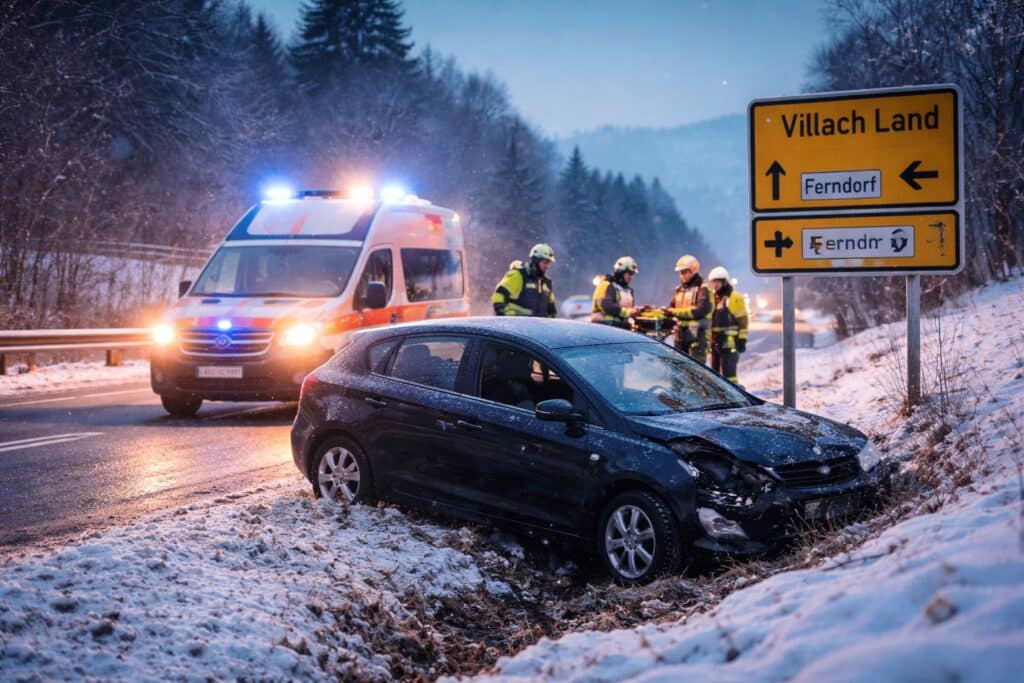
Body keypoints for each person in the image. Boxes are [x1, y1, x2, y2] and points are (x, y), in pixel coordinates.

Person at [666, 254, 712, 363]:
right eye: (680, 273)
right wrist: (663, 311)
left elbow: (700, 311)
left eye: (684, 272)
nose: (681, 276)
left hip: (697, 338)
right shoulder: (679, 290)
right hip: (681, 337)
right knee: (679, 370)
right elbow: (671, 308)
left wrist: (674, 312)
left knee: (695, 374)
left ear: (693, 270)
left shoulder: (703, 289)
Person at [707, 266, 749, 384]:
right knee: (715, 377)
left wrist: (742, 339)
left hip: (731, 344)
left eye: (717, 281)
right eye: (713, 282)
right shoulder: (713, 298)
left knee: (730, 377)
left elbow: (743, 321)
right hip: (715, 343)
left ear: (724, 281)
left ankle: (736, 398)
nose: (715, 285)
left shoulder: (735, 297)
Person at [492, 243, 556, 317]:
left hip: (538, 328)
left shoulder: (547, 282)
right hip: (515, 326)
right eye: (545, 262)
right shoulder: (518, 275)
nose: (547, 266)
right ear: (535, 260)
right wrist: (508, 318)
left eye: (548, 263)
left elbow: (551, 310)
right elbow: (498, 296)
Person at [592, 256, 641, 328]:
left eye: (632, 274)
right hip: (604, 328)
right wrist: (628, 312)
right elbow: (607, 306)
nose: (631, 277)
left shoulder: (628, 291)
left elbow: (628, 310)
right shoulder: (606, 285)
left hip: (620, 329)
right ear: (621, 272)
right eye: (629, 273)